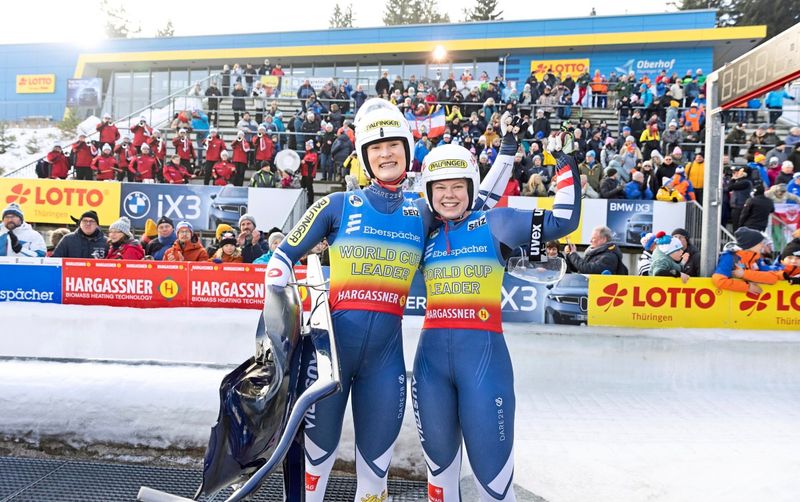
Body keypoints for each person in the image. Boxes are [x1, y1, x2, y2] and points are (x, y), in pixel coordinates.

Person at [264, 98, 529, 502]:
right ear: (364, 157)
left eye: (394, 145)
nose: (386, 154)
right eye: (376, 147)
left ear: (407, 151)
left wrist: (506, 153)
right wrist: (275, 319)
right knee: (314, 468)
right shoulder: (337, 205)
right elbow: (281, 258)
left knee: (374, 477)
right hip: (330, 358)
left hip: (384, 365)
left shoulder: (422, 212)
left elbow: (476, 205)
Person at [413, 139, 580, 502]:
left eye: (458, 186)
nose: (449, 195)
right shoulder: (422, 231)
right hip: (429, 370)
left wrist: (563, 161)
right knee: (439, 486)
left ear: (471, 187)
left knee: (494, 489)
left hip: (484, 368)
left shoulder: (498, 222)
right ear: (428, 191)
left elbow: (564, 219)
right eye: (440, 188)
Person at [712, 227, 782, 293]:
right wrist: (747, 287)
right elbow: (719, 280)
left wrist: (744, 274)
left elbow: (773, 278)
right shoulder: (729, 257)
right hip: (731, 300)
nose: (762, 245)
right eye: (759, 243)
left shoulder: (756, 258)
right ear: (750, 244)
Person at [301, 140, 318, 208]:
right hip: (304, 173)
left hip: (309, 173)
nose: (306, 147)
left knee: (309, 188)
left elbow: (312, 162)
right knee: (303, 187)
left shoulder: (313, 153)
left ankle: (310, 202)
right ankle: (306, 201)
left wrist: (304, 161)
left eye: (308, 145)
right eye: (306, 145)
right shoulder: (307, 153)